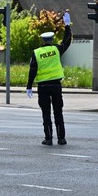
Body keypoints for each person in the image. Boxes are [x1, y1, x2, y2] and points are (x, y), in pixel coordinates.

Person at [26, 11, 72, 146]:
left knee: (46, 113)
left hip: (43, 87)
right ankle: (61, 139)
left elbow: (32, 70)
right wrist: (67, 26)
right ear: (51, 40)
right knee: (58, 112)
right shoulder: (57, 49)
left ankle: (48, 138)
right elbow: (67, 41)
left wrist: (29, 86)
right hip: (56, 86)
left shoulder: (37, 53)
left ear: (42, 40)